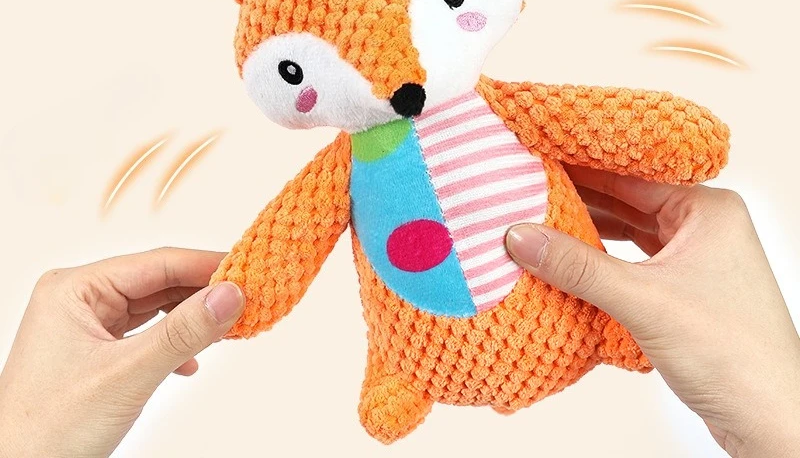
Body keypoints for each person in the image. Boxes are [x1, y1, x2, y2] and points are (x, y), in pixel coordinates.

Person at [0, 168, 797, 457]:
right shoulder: (349, 158)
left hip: (577, 321)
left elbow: (607, 125)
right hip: (423, 347)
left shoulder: (505, 108)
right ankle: (403, 374)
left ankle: (605, 328)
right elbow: (292, 236)